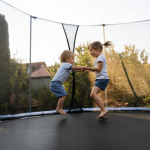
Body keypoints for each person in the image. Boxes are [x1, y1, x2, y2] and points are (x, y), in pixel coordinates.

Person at [50, 50, 87, 115]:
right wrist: (84, 67)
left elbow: (75, 69)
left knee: (62, 95)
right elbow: (75, 67)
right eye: (73, 59)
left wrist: (83, 69)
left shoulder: (66, 66)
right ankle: (58, 108)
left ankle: (60, 108)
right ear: (67, 59)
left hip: (56, 83)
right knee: (64, 95)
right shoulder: (66, 65)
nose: (74, 61)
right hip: (55, 83)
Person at [85, 41, 112, 118]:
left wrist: (89, 68)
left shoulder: (100, 57)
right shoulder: (98, 58)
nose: (90, 52)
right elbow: (98, 71)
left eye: (91, 50)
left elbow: (99, 69)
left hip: (103, 79)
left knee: (94, 94)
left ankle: (103, 109)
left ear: (97, 49)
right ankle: (103, 109)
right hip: (100, 79)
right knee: (92, 95)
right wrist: (91, 72)